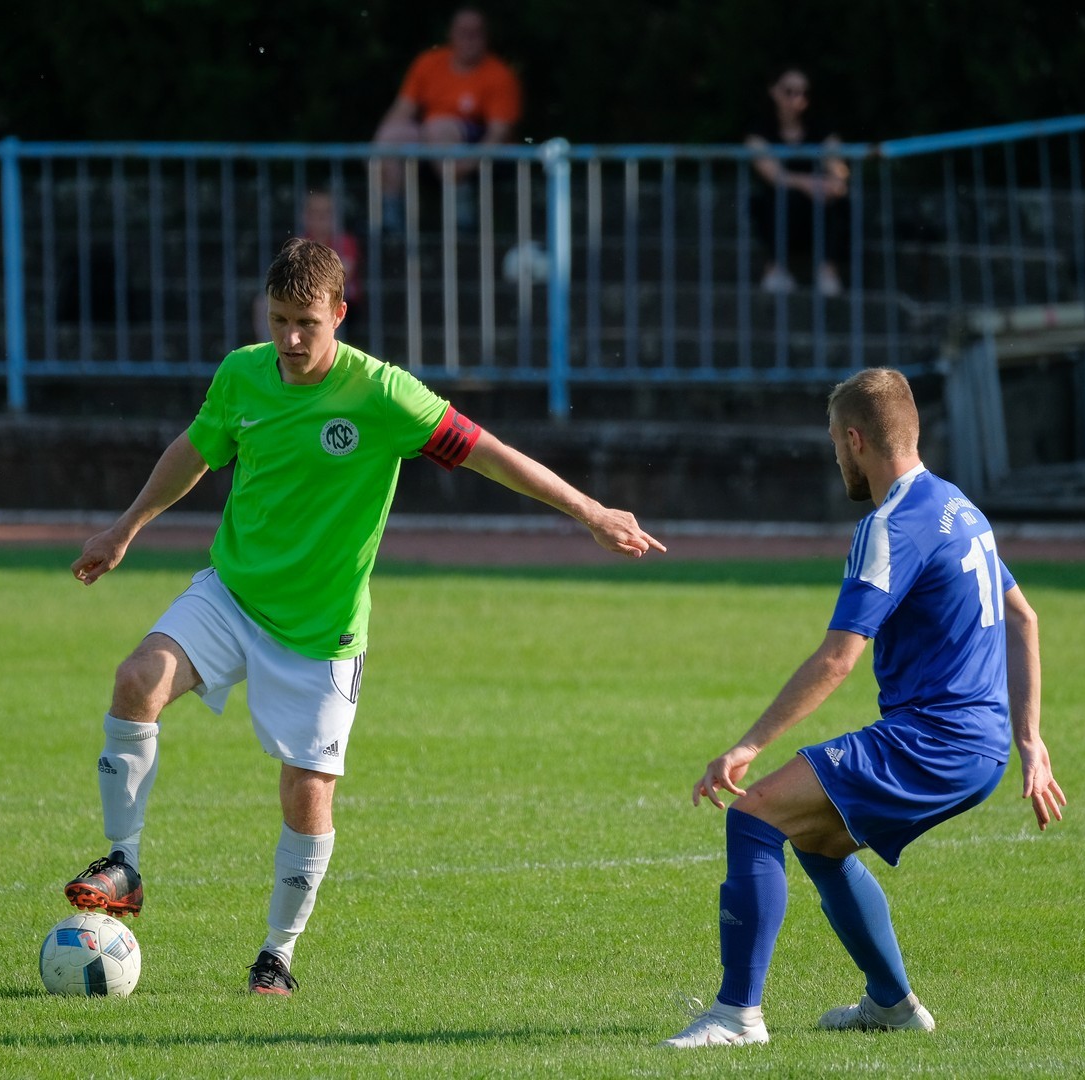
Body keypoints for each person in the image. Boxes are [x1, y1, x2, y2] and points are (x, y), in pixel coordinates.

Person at [66, 236, 665, 997]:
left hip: (322, 632)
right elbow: (195, 449)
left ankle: (277, 954)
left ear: (340, 314)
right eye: (279, 320)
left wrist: (590, 512)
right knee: (136, 680)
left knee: (306, 792)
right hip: (233, 594)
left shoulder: (383, 394)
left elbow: (489, 453)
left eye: (306, 324)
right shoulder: (243, 374)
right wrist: (125, 528)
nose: (290, 340)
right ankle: (124, 863)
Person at [664, 367, 1065, 1048]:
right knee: (820, 841)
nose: (835, 456)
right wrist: (1029, 739)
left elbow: (837, 660)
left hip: (933, 740)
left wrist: (747, 745)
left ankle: (736, 1016)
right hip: (978, 745)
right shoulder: (958, 506)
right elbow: (1023, 618)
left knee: (755, 815)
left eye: (833, 441)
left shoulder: (891, 526)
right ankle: (891, 1005)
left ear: (855, 440)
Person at [371, 7, 522, 231]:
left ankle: (462, 218)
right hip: (433, 141)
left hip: (476, 145)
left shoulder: (499, 75)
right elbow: (403, 109)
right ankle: (391, 222)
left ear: (486, 37)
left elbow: (498, 132)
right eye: (463, 32)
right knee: (391, 136)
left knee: (439, 128)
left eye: (475, 33)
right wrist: (376, 150)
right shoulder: (428, 63)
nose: (469, 39)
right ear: (450, 34)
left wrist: (468, 163)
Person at [745, 66, 851, 298]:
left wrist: (837, 181)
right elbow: (773, 175)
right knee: (782, 199)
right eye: (789, 91)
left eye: (804, 93)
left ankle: (828, 271)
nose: (797, 98)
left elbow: (837, 165)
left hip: (816, 206)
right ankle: (775, 268)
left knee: (837, 202)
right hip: (779, 206)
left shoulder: (821, 127)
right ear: (774, 91)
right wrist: (809, 183)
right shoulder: (760, 130)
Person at [251, 191, 361, 339]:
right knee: (264, 302)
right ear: (304, 215)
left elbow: (342, 276)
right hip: (303, 294)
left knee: (324, 304)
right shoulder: (299, 242)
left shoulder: (345, 242)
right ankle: (270, 346)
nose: (321, 217)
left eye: (326, 212)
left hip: (338, 298)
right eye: (314, 212)